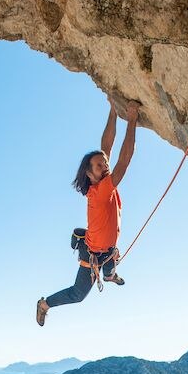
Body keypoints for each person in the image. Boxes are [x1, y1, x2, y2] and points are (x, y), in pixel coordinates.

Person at [36, 97, 140, 327]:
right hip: (93, 253)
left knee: (111, 260)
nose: (106, 165)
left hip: (107, 248)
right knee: (78, 294)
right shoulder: (102, 190)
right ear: (90, 174)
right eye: (100, 165)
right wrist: (132, 120)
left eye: (104, 163)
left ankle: (110, 275)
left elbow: (107, 147)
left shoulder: (99, 182)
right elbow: (124, 160)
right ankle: (44, 304)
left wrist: (113, 110)